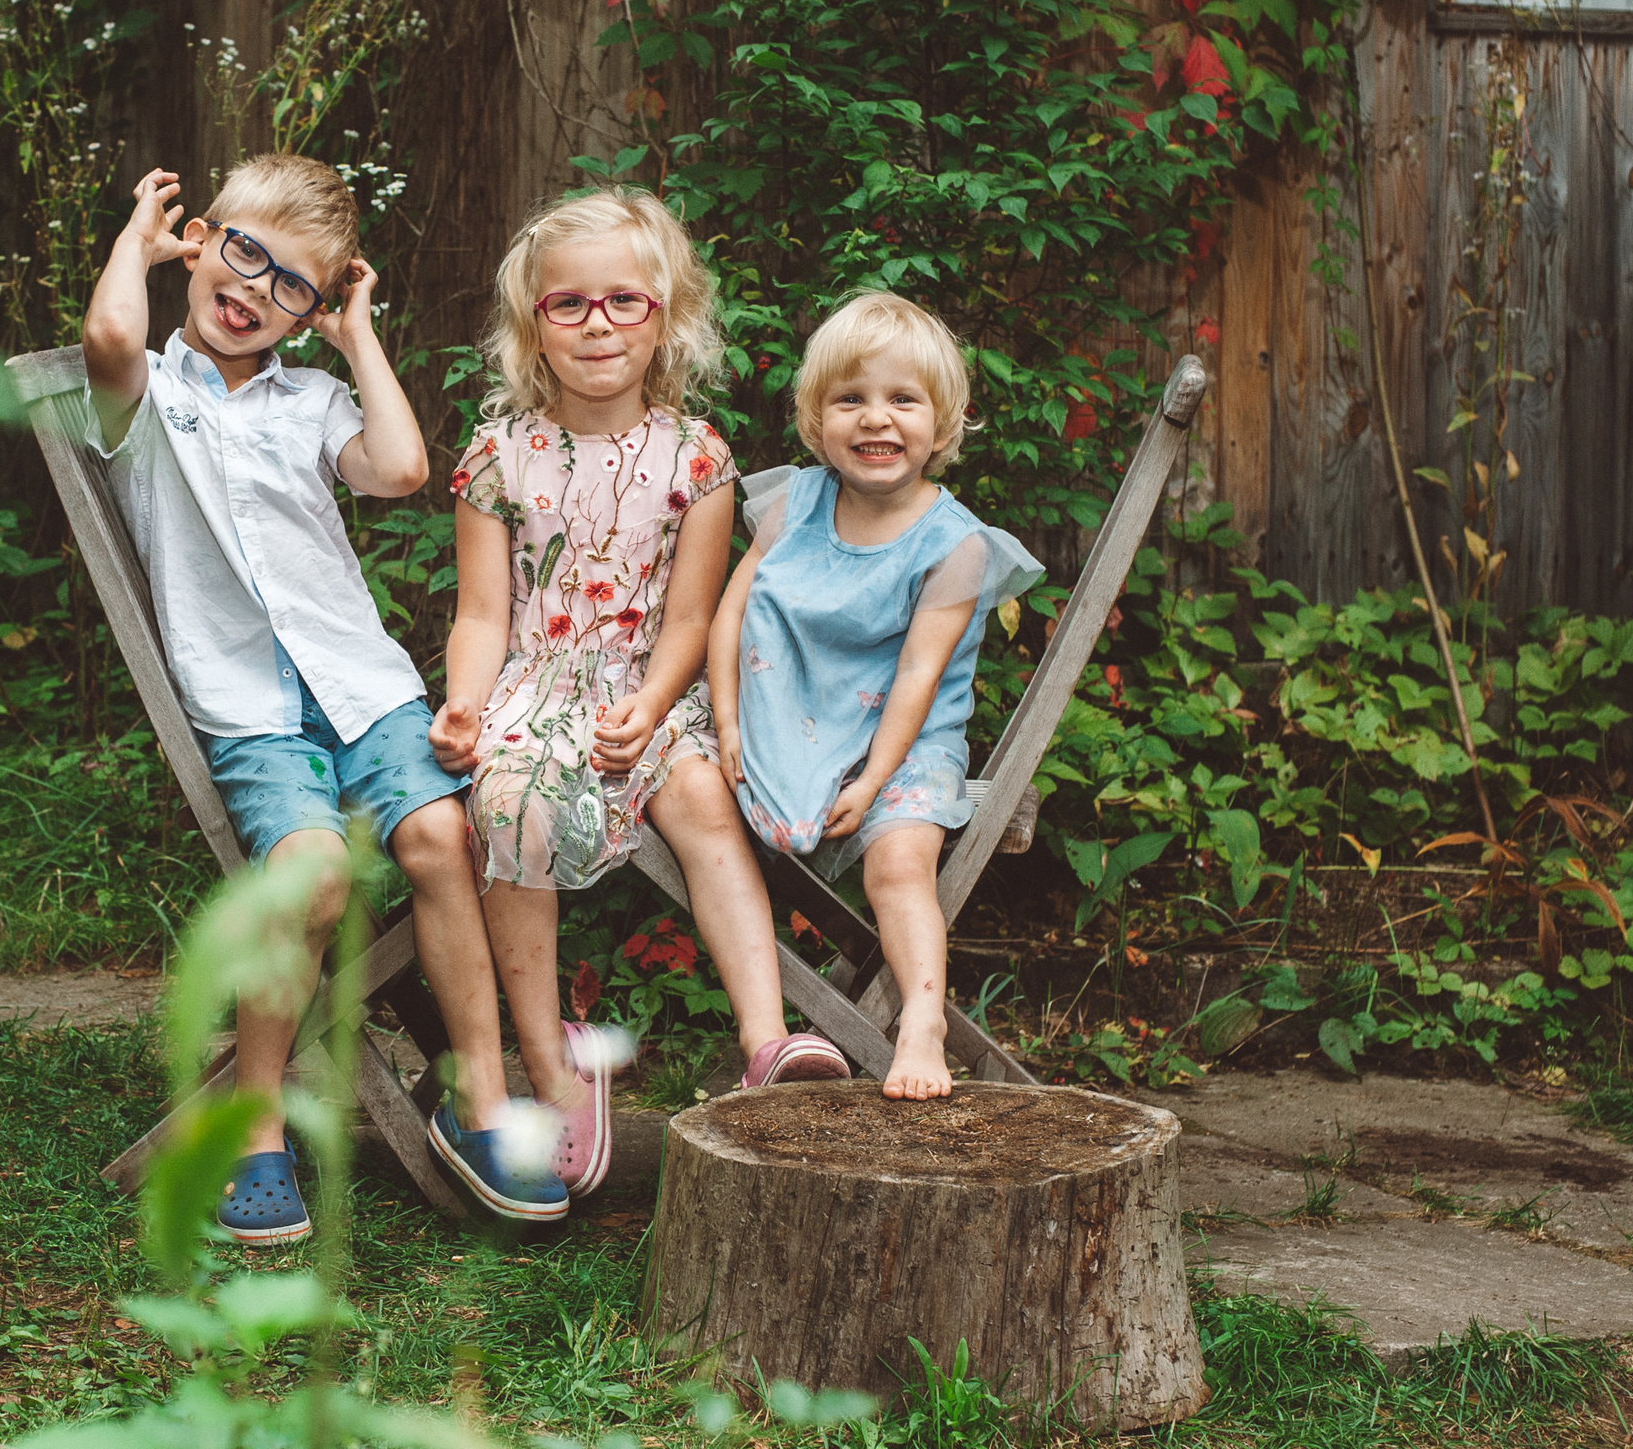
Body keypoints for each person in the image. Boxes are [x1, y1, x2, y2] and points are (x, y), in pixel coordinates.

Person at [83, 158, 565, 1237]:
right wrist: (138, 240)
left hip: (362, 685)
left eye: (290, 285)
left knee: (444, 835)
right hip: (249, 707)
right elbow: (111, 339)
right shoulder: (151, 397)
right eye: (240, 254)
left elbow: (398, 470)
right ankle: (253, 1126)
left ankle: (479, 1102)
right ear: (202, 240)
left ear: (314, 307)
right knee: (310, 883)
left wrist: (356, 336)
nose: (253, 289)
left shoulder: (313, 397)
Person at [430, 188, 847, 1207]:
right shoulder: (496, 456)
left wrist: (655, 706)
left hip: (648, 691)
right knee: (508, 802)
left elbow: (692, 619)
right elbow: (484, 614)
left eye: (624, 301)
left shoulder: (697, 457)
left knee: (703, 802)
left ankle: (765, 1042)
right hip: (537, 686)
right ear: (532, 327)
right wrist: (463, 705)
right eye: (566, 305)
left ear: (667, 315)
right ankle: (552, 1062)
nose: (597, 325)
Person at [710, 292, 1043, 1101]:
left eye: (903, 400)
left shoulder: (955, 547)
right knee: (694, 813)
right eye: (849, 399)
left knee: (899, 867)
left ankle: (922, 1022)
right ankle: (772, 1029)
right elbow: (731, 615)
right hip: (785, 725)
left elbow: (919, 680)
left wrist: (869, 782)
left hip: (906, 745)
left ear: (945, 419)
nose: (875, 420)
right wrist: (725, 722)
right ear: (814, 415)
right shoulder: (792, 506)